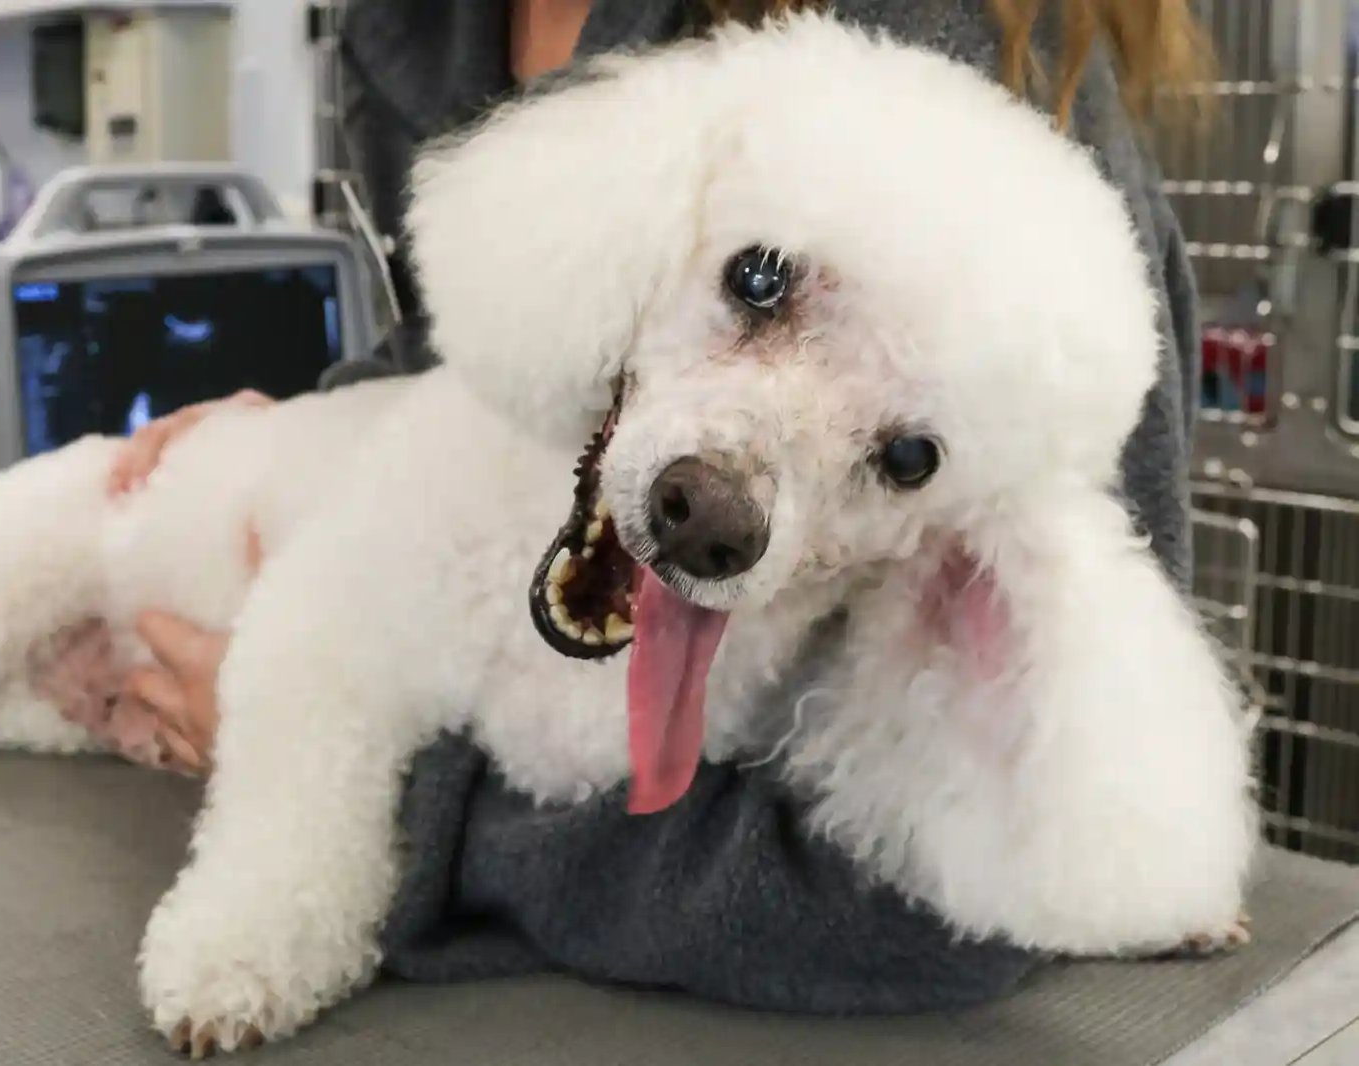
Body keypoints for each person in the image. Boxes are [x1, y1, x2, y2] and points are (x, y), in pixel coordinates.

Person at [87, 0, 1213, 1011]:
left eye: (903, 455)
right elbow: (477, 328)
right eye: (757, 289)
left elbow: (931, 916)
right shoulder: (415, 26)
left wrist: (432, 819)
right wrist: (304, 416)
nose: (723, 491)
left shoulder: (952, 46)